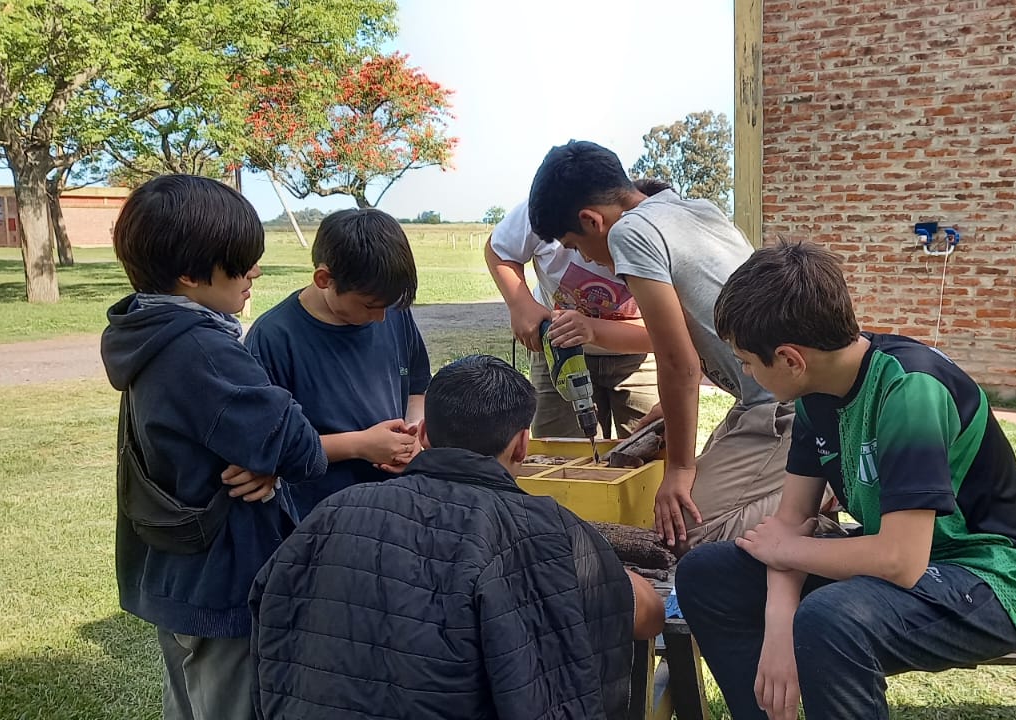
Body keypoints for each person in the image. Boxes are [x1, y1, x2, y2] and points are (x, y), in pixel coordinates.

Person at [675, 242, 1016, 719]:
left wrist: (790, 555)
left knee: (831, 621)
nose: (744, 371)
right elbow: (788, 527)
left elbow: (900, 561)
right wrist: (779, 628)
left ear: (790, 358)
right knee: (706, 574)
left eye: (747, 361)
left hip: (993, 578)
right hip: (908, 562)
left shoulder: (910, 390)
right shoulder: (815, 393)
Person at [250, 355, 665, 720]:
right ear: (522, 445)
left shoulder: (332, 513)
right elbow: (648, 613)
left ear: (424, 434)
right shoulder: (544, 528)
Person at [101, 174, 334, 720]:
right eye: (240, 262)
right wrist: (275, 459)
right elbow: (302, 447)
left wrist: (266, 465)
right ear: (189, 274)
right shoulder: (204, 349)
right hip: (220, 579)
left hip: (174, 568)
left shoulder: (146, 328)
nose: (254, 273)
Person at [528, 141, 808, 548]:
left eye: (574, 246)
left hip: (784, 407)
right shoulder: (692, 209)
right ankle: (805, 487)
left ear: (591, 221)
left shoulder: (629, 233)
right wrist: (668, 409)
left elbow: (679, 363)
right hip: (761, 398)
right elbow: (698, 337)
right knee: (682, 508)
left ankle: (817, 493)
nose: (585, 259)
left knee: (684, 528)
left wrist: (678, 468)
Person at [245, 208, 429, 520]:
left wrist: (413, 436)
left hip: (393, 507)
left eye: (389, 306)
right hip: (317, 518)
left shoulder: (392, 310)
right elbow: (269, 449)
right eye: (369, 306)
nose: (381, 318)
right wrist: (361, 445)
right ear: (324, 279)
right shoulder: (274, 337)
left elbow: (416, 388)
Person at [483, 179, 673, 439]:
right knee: (560, 447)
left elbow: (665, 334)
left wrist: (592, 329)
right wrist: (521, 305)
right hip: (559, 351)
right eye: (570, 246)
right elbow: (499, 248)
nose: (584, 257)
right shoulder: (549, 210)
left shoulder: (656, 233)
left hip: (636, 357)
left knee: (649, 446)